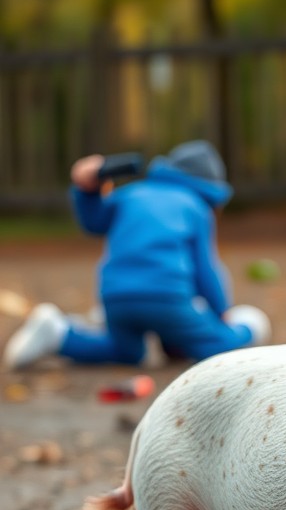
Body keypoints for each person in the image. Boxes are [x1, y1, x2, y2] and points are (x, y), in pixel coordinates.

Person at [2, 141, 270, 370]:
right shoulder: (196, 208)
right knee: (213, 343)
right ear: (212, 194)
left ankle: (60, 334)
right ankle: (248, 327)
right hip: (167, 300)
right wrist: (222, 311)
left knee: (127, 353)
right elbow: (205, 269)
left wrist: (88, 190)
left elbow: (93, 221)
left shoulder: (129, 194)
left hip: (116, 298)